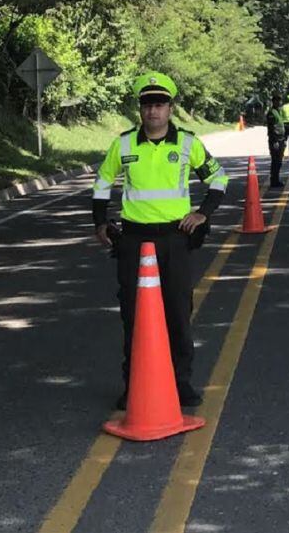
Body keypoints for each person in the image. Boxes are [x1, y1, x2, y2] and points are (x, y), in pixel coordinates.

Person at [92, 71, 229, 410]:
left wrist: (203, 214)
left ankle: (181, 383)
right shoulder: (123, 144)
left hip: (175, 239)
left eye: (159, 104)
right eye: (146, 105)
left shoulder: (187, 143)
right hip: (134, 241)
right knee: (133, 315)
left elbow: (218, 178)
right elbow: (102, 184)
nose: (152, 111)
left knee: (178, 312)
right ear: (139, 109)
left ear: (170, 108)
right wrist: (99, 222)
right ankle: (133, 385)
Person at [265, 93, 285, 188]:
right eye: (277, 101)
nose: (279, 103)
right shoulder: (271, 113)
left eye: (280, 101)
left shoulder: (278, 111)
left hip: (281, 139)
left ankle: (276, 179)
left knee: (279, 161)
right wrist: (275, 140)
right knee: (275, 161)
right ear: (273, 102)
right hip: (275, 140)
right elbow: (272, 128)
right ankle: (274, 181)